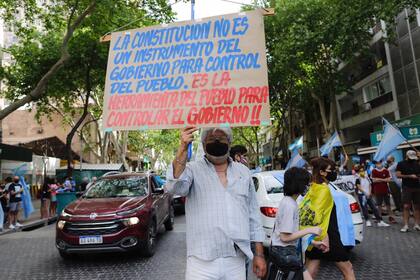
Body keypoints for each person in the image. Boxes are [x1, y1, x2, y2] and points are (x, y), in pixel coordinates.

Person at [166, 126, 267, 280]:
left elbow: (253, 215)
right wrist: (183, 147)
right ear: (204, 143)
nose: (217, 141)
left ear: (229, 142)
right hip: (201, 262)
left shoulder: (243, 172)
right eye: (212, 139)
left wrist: (259, 254)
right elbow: (175, 187)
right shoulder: (192, 170)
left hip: (236, 259)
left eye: (221, 138)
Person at [300, 157, 355, 280]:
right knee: (348, 269)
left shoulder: (313, 187)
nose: (334, 172)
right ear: (322, 172)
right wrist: (325, 237)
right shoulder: (323, 189)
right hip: (327, 236)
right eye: (331, 170)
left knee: (310, 272)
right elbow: (318, 216)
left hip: (315, 236)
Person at [269, 167, 326, 280]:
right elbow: (284, 237)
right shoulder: (290, 205)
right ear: (298, 184)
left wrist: (313, 242)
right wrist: (310, 230)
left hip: (285, 253)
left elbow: (291, 233)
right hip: (285, 253)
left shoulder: (289, 202)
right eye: (306, 183)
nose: (308, 186)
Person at [396, 150, 420, 232]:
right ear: (407, 156)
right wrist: (409, 176)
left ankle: (417, 224)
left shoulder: (417, 163)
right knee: (406, 206)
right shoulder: (401, 163)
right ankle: (406, 225)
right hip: (407, 187)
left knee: (417, 206)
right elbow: (398, 175)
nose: (412, 159)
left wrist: (417, 177)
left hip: (417, 187)